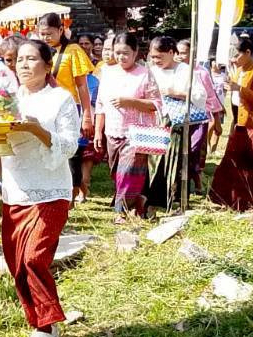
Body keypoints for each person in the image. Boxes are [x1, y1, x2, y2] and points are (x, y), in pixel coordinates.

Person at [0, 39, 80, 337]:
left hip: (50, 191)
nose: (24, 65)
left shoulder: (60, 98)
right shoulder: (8, 99)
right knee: (16, 263)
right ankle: (43, 321)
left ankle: (45, 328)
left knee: (33, 259)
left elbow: (69, 146)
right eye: (19, 60)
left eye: (31, 59)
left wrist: (36, 129)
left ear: (47, 64)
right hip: (15, 190)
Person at [93, 32, 160, 221]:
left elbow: (156, 104)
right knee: (117, 172)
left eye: (125, 53)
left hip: (137, 133)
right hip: (112, 131)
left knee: (128, 172)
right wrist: (98, 131)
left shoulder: (145, 74)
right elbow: (100, 104)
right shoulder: (107, 72)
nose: (121, 57)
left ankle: (120, 212)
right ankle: (138, 201)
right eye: (117, 53)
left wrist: (130, 102)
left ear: (135, 52)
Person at [210, 36, 253, 210]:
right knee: (235, 161)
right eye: (231, 57)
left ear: (248, 53)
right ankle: (233, 200)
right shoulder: (236, 70)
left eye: (236, 56)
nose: (233, 60)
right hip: (240, 123)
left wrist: (240, 88)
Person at [36, 14, 95, 202]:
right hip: (45, 107)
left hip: (70, 107)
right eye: (42, 34)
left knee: (72, 152)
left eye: (49, 33)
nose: (45, 38)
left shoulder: (73, 50)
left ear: (61, 30)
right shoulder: (39, 51)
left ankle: (73, 193)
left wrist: (87, 115)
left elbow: (82, 85)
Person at [145, 35, 206, 212]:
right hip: (155, 121)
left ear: (171, 53)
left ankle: (174, 199)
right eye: (153, 57)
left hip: (177, 124)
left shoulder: (185, 70)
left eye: (160, 57)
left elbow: (201, 97)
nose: (156, 61)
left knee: (175, 161)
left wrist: (176, 93)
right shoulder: (151, 70)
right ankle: (152, 200)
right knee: (154, 161)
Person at [176, 39, 225, 192]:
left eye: (183, 53)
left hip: (199, 120)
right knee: (179, 152)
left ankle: (196, 183)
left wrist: (217, 121)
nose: (180, 56)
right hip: (177, 119)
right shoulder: (173, 69)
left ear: (192, 54)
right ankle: (178, 186)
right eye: (177, 53)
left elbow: (211, 97)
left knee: (195, 152)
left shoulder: (201, 72)